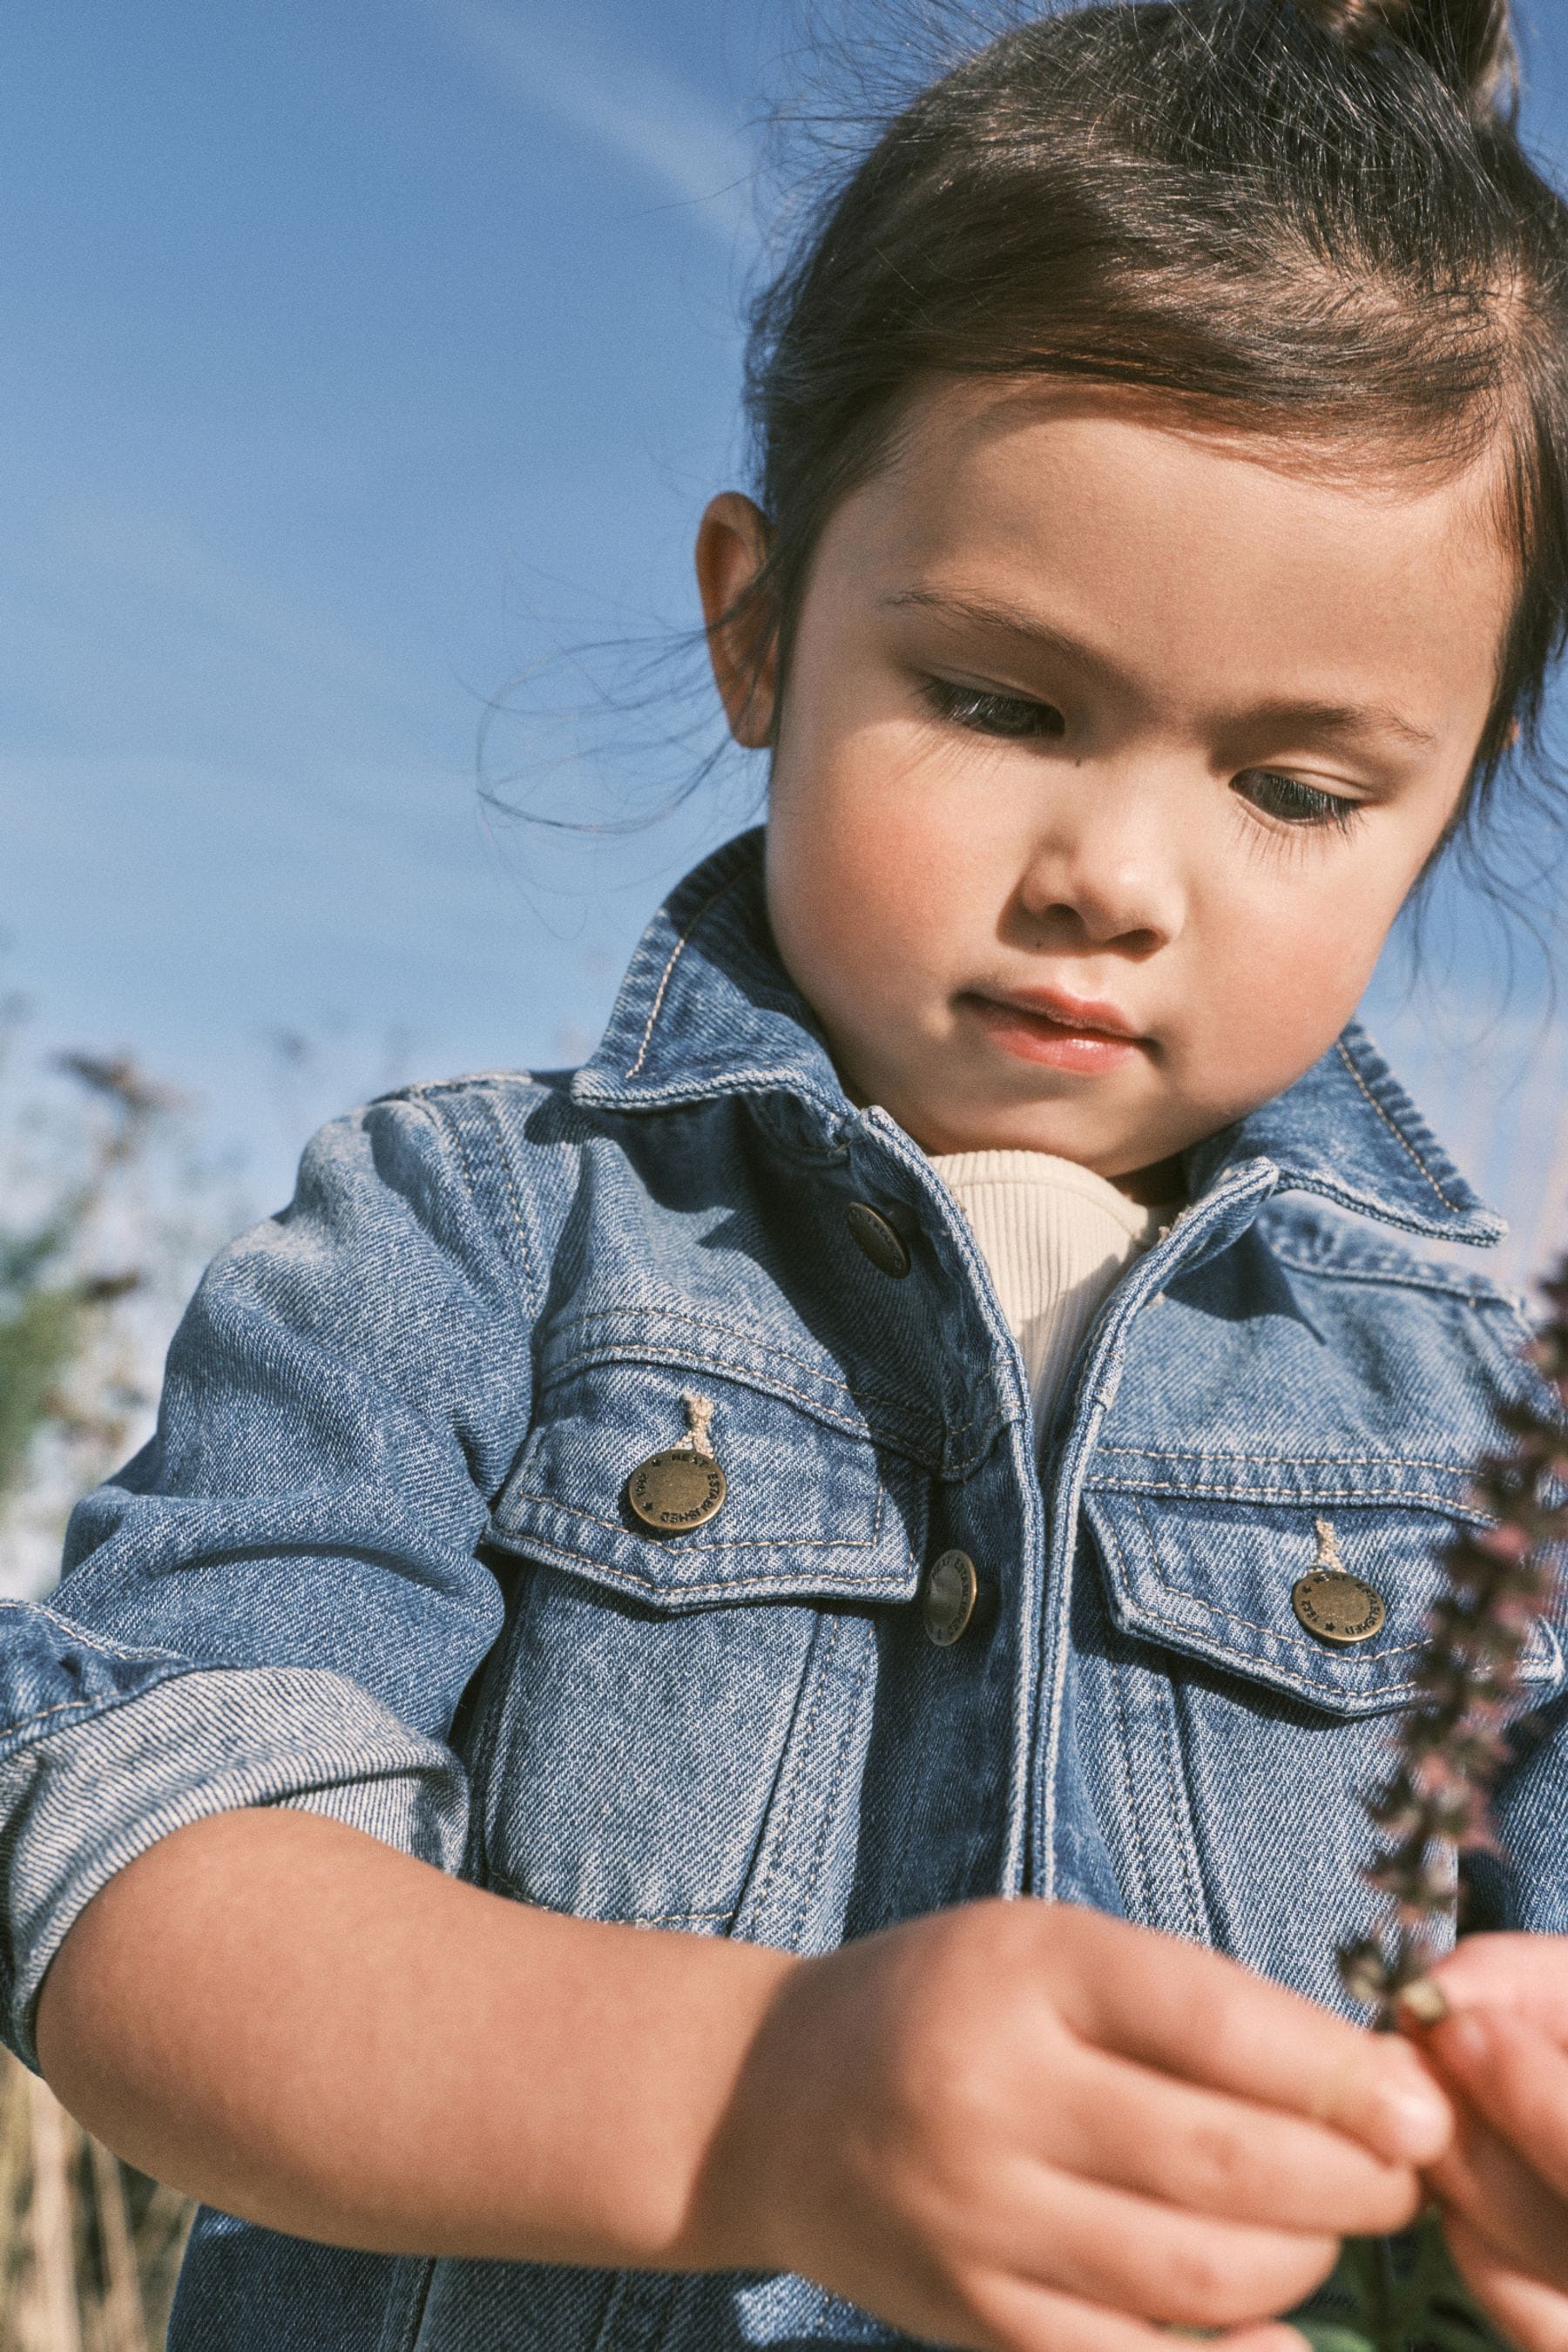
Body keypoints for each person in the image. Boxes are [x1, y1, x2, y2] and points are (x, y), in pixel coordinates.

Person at [5, 0, 1568, 2344]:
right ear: (762, 620)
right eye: (1005, 700)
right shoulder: (468, 1240)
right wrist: (744, 2105)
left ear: (1450, 795)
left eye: (1301, 789)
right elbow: (137, 1872)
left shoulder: (1492, 1430)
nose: (1117, 873)